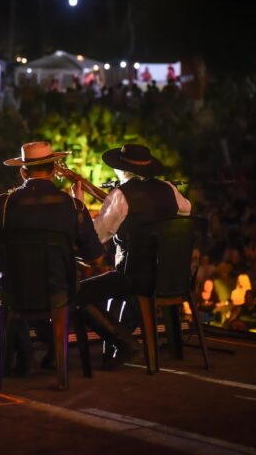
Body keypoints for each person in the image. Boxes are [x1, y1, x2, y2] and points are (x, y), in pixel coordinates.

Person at [0, 141, 104, 376]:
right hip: (58, 293)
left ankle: (20, 361)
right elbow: (95, 257)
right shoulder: (74, 206)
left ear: (23, 172)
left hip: (13, 293)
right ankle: (54, 360)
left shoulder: (3, 205)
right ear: (54, 170)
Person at [75, 143, 191, 365]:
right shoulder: (169, 189)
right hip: (171, 276)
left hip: (134, 278)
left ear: (121, 169)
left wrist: (80, 206)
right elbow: (187, 211)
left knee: (77, 294)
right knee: (125, 289)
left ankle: (123, 342)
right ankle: (124, 343)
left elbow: (97, 237)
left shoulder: (121, 196)